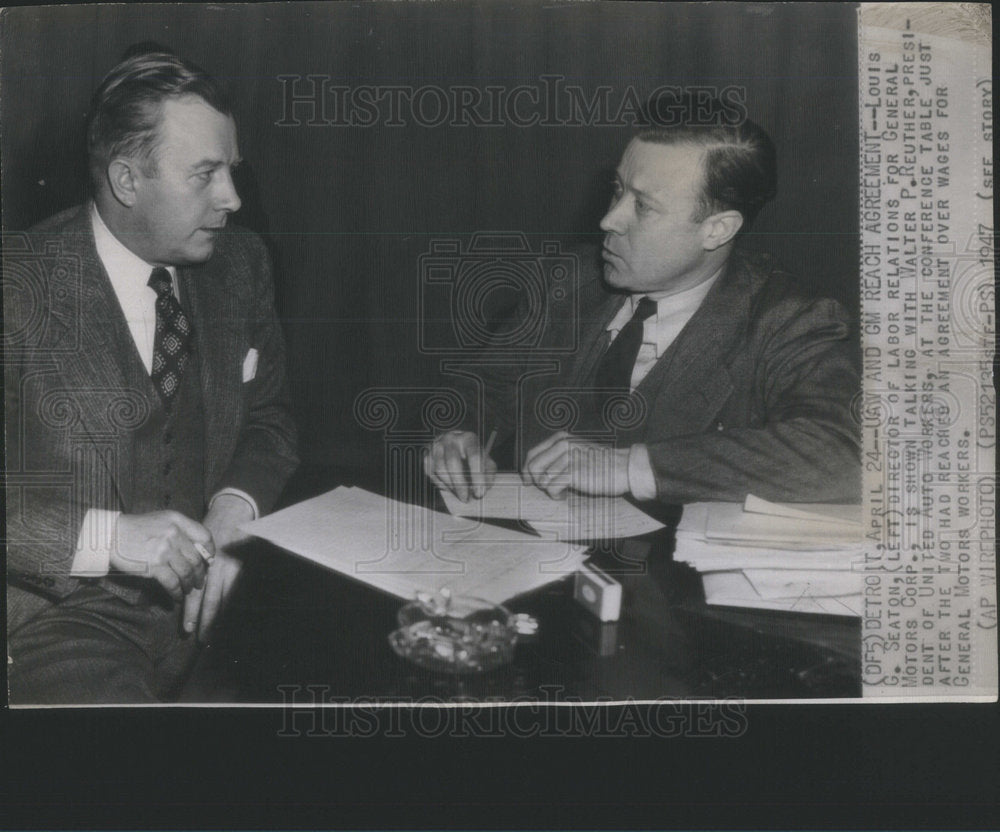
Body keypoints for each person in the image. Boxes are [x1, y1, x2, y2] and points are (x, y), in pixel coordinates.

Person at [5, 49, 298, 703]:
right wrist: (109, 537)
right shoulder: (16, 286)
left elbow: (270, 420)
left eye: (232, 170)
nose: (233, 198)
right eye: (205, 175)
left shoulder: (242, 264)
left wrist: (234, 510)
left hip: (217, 614)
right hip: (53, 623)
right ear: (127, 180)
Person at [426, 115, 860, 506]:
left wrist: (632, 466)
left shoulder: (791, 320)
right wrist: (457, 435)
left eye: (643, 205)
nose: (609, 220)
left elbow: (846, 454)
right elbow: (484, 384)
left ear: (717, 230)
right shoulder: (568, 280)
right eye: (618, 190)